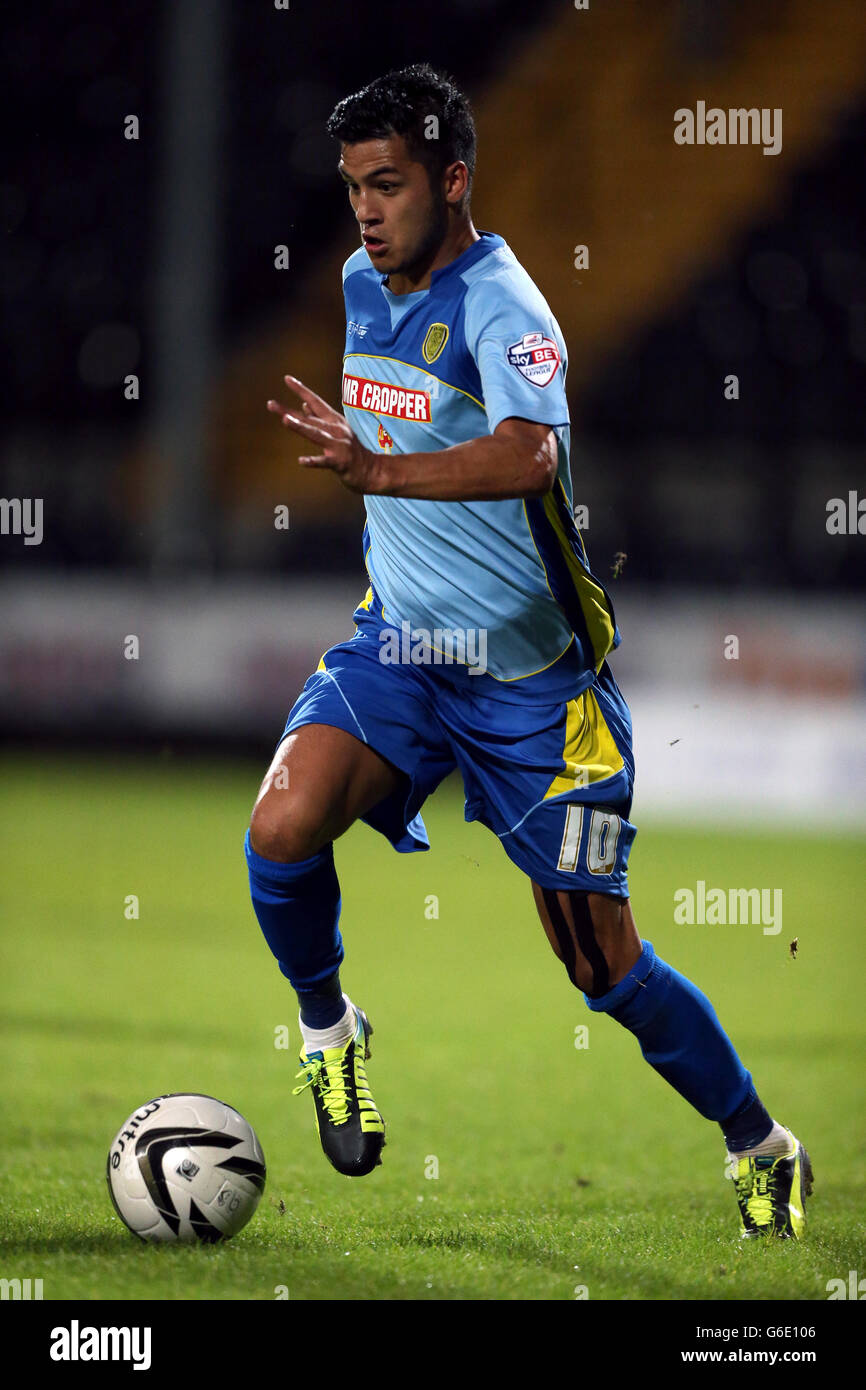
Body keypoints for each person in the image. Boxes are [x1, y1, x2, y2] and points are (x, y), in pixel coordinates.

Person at [245, 64, 811, 1239]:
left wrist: (378, 467)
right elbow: (404, 426)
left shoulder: (510, 310)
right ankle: (327, 1032)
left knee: (601, 966)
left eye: (387, 184)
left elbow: (525, 458)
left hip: (539, 690)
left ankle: (758, 1141)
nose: (364, 210)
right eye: (352, 186)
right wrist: (371, 448)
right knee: (281, 824)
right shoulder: (359, 283)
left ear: (452, 182)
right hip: (400, 645)